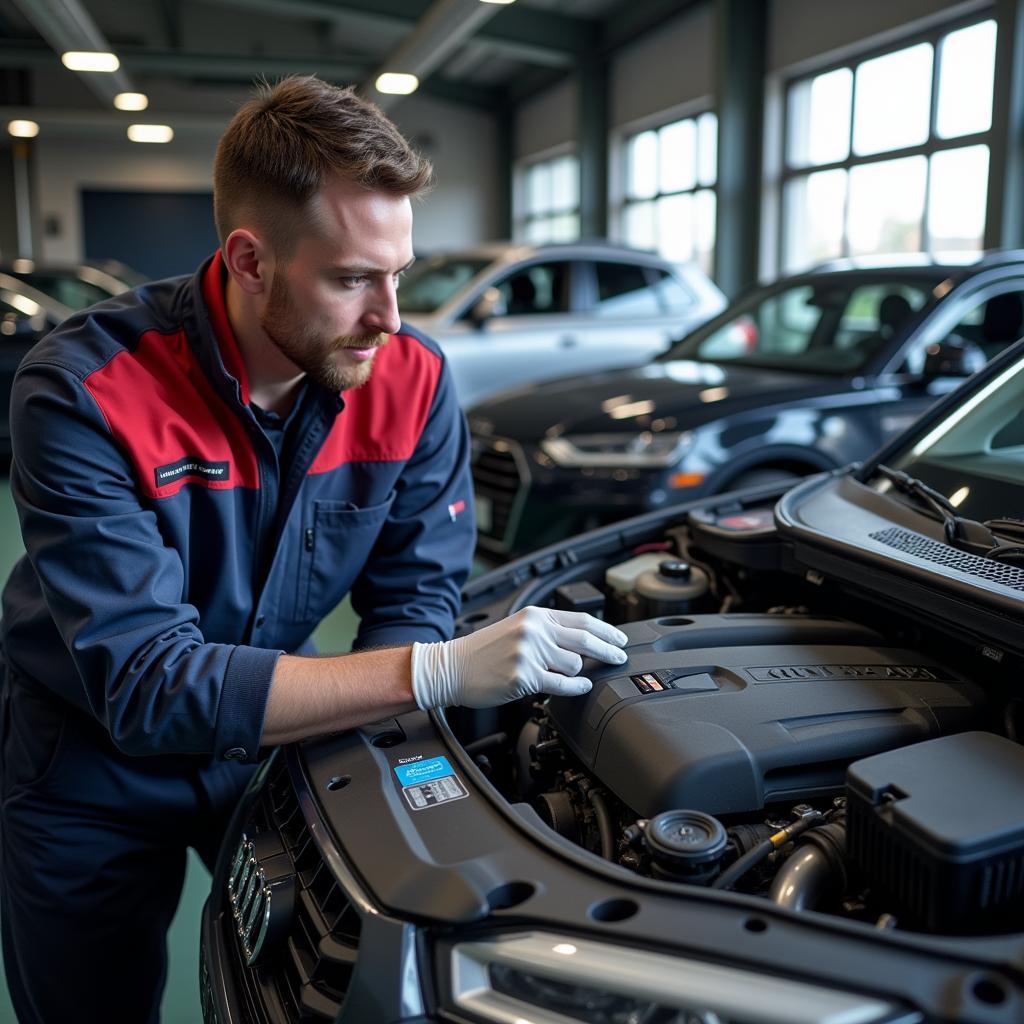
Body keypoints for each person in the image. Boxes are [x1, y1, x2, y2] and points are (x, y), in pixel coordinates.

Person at [0, 76, 626, 1023]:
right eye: (351, 279)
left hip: (277, 741)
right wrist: (435, 671)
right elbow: (148, 685)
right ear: (249, 260)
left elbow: (412, 594)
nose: (393, 316)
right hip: (88, 767)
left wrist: (413, 669)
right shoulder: (88, 391)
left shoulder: (409, 381)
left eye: (400, 272)